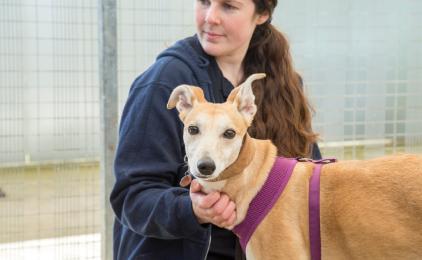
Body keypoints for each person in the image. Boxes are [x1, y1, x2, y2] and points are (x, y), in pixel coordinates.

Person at [110, 0, 321, 259]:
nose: (211, 17)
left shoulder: (283, 84)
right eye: (205, 2)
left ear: (262, 14)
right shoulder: (164, 82)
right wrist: (191, 209)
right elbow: (131, 197)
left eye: (228, 6)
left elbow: (310, 174)